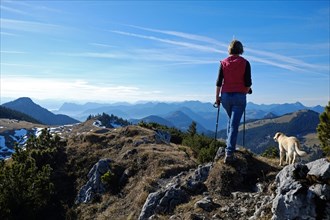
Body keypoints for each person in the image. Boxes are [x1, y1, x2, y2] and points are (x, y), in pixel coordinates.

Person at [215, 40, 252, 164]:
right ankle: (229, 152)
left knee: (231, 121)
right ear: (241, 49)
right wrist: (246, 91)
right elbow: (247, 84)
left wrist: (217, 98)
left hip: (225, 96)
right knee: (234, 125)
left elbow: (219, 82)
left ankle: (228, 145)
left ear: (229, 49)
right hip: (239, 96)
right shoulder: (245, 63)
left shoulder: (223, 63)